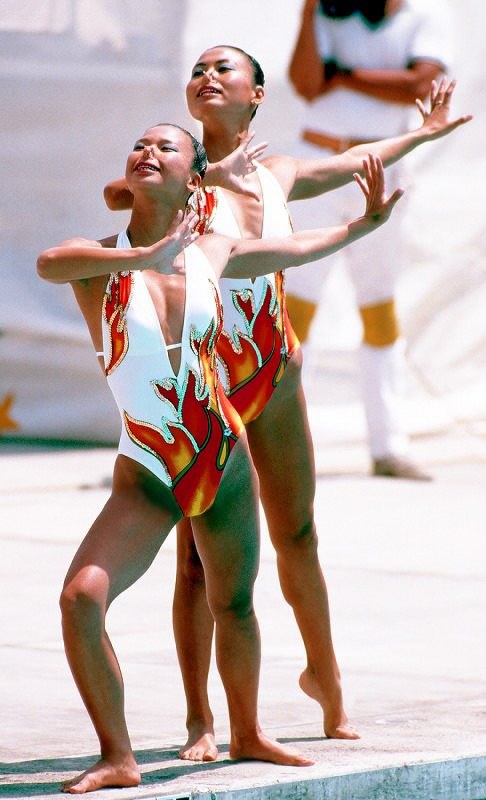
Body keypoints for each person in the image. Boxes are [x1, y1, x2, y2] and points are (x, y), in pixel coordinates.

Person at [104, 46, 470, 763]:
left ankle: (325, 678)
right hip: (209, 386)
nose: (207, 77)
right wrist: (197, 179)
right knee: (197, 567)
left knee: (298, 533)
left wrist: (423, 134)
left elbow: (362, 156)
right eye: (199, 69)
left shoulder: (279, 174)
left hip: (275, 371)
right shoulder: (178, 176)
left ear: (256, 98)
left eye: (225, 70)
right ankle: (200, 720)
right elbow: (123, 200)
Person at [37, 122, 403, 792]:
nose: (147, 151)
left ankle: (249, 730)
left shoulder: (213, 249)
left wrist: (362, 225)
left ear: (193, 179)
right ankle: (118, 756)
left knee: (235, 603)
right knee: (81, 598)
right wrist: (139, 260)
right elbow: (49, 263)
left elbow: (294, 245)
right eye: (139, 144)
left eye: (165, 147)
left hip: (222, 454)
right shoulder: (98, 257)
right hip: (149, 469)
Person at [286, 0, 454, 479]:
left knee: (378, 304)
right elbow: (305, 83)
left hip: (382, 165)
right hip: (320, 163)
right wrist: (307, 14)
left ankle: (388, 446)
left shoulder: (425, 16)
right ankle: (283, 439)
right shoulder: (328, 12)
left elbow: (419, 86)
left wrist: (343, 73)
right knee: (296, 305)